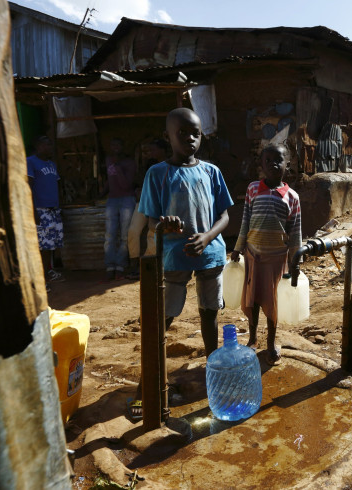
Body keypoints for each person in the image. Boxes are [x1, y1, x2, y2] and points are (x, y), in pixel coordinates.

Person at [130, 108, 233, 419]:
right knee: (163, 320)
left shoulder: (212, 172)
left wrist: (207, 236)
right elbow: (150, 218)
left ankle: (213, 374)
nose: (190, 138)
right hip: (173, 258)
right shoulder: (157, 174)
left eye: (196, 133)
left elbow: (225, 215)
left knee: (209, 314)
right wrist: (166, 225)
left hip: (211, 254)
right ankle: (146, 388)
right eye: (182, 133)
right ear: (168, 137)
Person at [231, 143, 302, 366]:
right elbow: (245, 220)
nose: (273, 164)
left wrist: (295, 260)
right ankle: (252, 338)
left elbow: (295, 231)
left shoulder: (292, 197)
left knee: (272, 302)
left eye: (278, 160)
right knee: (252, 301)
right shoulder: (253, 189)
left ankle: (271, 342)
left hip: (276, 259)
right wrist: (237, 247)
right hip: (253, 255)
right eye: (268, 160)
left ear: (287, 165)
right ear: (261, 165)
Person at [126, 138, 169, 279]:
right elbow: (138, 182)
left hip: (159, 204)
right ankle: (134, 263)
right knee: (133, 231)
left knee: (153, 234)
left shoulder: (170, 165)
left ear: (163, 150)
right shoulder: (148, 165)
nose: (150, 153)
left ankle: (146, 266)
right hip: (144, 202)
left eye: (153, 150)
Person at [27, 136, 64, 289]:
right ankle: (40, 280)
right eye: (47, 144)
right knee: (41, 246)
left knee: (50, 245)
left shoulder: (51, 164)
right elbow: (28, 187)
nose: (50, 147)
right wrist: (33, 210)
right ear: (38, 146)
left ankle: (47, 272)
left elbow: (57, 185)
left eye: (50, 145)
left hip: (53, 209)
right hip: (40, 209)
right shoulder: (30, 161)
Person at [101, 138, 136, 280]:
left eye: (118, 144)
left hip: (127, 200)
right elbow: (109, 181)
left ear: (123, 147)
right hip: (112, 200)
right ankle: (110, 266)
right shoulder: (108, 160)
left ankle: (120, 266)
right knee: (110, 235)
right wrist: (101, 194)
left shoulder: (130, 163)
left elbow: (126, 185)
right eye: (112, 144)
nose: (115, 147)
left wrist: (118, 168)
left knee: (124, 235)